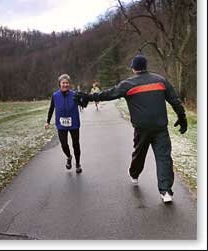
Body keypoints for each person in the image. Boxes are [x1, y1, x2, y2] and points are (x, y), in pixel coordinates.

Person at [74, 55, 188, 203]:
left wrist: (89, 97)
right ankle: (166, 191)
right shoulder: (161, 80)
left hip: (141, 128)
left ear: (133, 68)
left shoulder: (128, 84)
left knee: (139, 153)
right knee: (164, 158)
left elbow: (108, 94)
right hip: (160, 127)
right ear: (146, 66)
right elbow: (175, 100)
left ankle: (134, 174)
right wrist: (182, 118)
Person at [45, 74, 85, 173]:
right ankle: (69, 157)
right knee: (64, 144)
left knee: (76, 144)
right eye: (63, 83)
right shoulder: (55, 95)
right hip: (61, 124)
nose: (65, 84)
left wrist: (83, 98)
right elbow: (51, 109)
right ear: (60, 84)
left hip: (74, 123)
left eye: (67, 83)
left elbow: (83, 104)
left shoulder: (74, 94)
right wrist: (48, 121)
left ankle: (78, 164)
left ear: (69, 84)